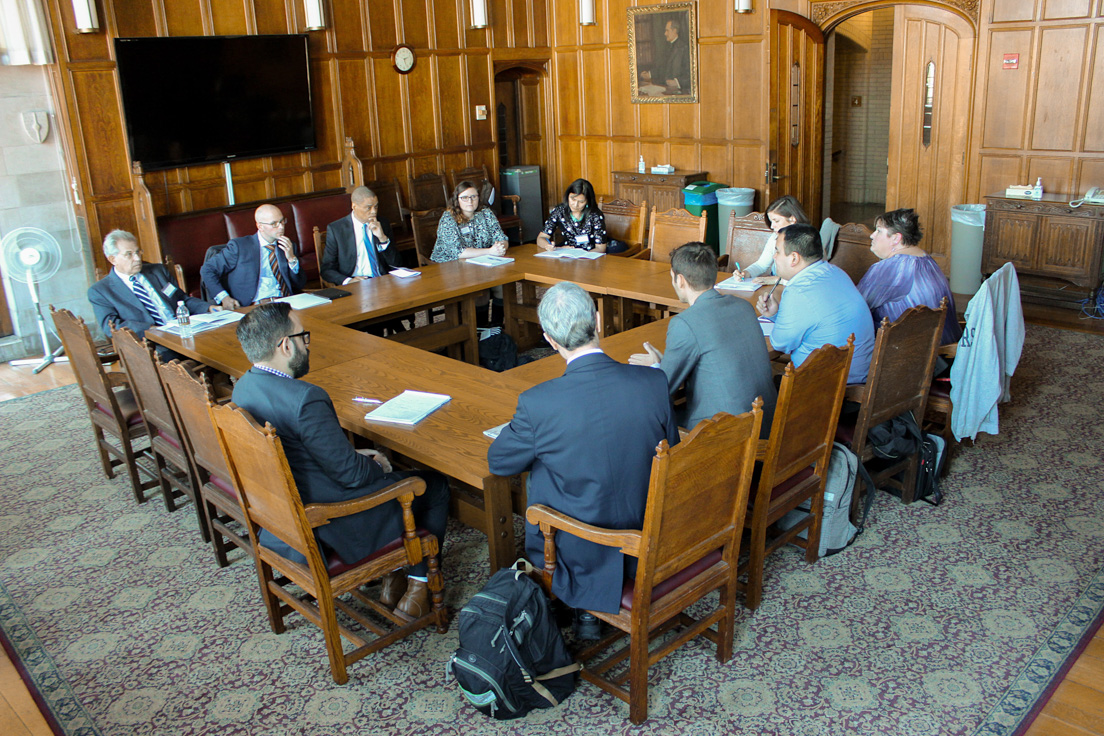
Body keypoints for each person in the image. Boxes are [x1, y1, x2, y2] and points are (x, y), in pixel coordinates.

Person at [231, 302, 450, 620]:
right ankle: (419, 589)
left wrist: (353, 456)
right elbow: (353, 477)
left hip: (281, 517)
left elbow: (300, 452)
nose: (307, 343)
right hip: (332, 521)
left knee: (382, 468)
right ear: (286, 345)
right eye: (303, 336)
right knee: (431, 484)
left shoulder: (243, 387)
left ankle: (393, 579)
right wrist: (377, 464)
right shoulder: (305, 398)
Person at [488, 283, 679, 637]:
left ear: (549, 339)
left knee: (541, 465)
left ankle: (585, 606)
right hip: (650, 529)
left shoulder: (537, 403)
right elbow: (674, 450)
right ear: (598, 319)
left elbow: (499, 462)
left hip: (580, 548)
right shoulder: (653, 382)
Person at [629, 242, 776, 435]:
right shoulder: (744, 306)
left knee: (647, 418)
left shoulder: (685, 323)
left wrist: (658, 366)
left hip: (727, 433)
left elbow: (664, 390)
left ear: (680, 280)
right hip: (766, 423)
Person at [757, 223, 875, 385]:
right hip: (859, 375)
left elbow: (781, 343)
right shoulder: (836, 272)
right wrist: (775, 314)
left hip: (826, 387)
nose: (774, 257)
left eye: (777, 251)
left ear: (794, 258)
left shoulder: (799, 290)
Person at [88, 229, 216, 360]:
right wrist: (151, 329)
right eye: (129, 254)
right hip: (149, 343)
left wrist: (208, 308)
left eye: (138, 252)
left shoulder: (158, 272)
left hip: (183, 330)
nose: (137, 258)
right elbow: (112, 327)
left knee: (217, 341)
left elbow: (181, 299)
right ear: (112, 259)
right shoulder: (101, 291)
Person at [859, 208, 962, 345]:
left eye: (879, 231)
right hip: (941, 348)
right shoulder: (926, 259)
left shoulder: (891, 268)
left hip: (904, 352)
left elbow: (856, 306)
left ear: (896, 238)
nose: (872, 235)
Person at [200, 203, 306, 308]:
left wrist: (292, 259)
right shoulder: (240, 247)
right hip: (255, 307)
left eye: (282, 221)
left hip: (286, 303)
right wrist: (224, 297)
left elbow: (299, 284)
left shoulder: (288, 246)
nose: (281, 227)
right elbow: (207, 270)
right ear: (260, 226)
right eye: (274, 224)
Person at [320, 186, 401, 285]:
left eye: (376, 206)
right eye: (368, 207)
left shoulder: (382, 223)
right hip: (355, 282)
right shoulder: (337, 230)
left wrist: (382, 238)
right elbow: (327, 270)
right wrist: (348, 281)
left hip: (382, 280)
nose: (374, 211)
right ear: (354, 206)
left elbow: (396, 264)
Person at [430, 180, 508, 262]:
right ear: (457, 200)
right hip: (448, 264)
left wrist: (500, 247)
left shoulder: (486, 212)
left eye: (473, 196)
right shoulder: (448, 218)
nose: (470, 201)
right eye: (464, 198)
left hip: (480, 261)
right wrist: (489, 251)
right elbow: (458, 253)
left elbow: (501, 237)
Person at [738, 195, 811, 283]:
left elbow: (808, 278)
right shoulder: (774, 238)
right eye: (771, 221)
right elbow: (761, 265)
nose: (772, 226)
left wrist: (777, 280)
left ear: (792, 219)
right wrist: (745, 273)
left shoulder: (810, 240)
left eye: (776, 221)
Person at [536, 178, 609, 253]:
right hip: (566, 253)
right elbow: (541, 237)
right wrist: (548, 246)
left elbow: (601, 248)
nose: (575, 205)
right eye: (572, 199)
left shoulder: (595, 215)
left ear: (587, 201)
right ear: (568, 196)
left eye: (581, 202)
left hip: (589, 256)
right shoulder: (560, 211)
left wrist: (582, 256)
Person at [643, 18, 691, 94]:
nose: (665, 33)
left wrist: (677, 82)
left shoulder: (684, 48)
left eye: (667, 30)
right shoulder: (667, 47)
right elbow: (663, 68)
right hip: (666, 89)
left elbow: (691, 74)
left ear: (674, 31)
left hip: (681, 92)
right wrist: (650, 74)